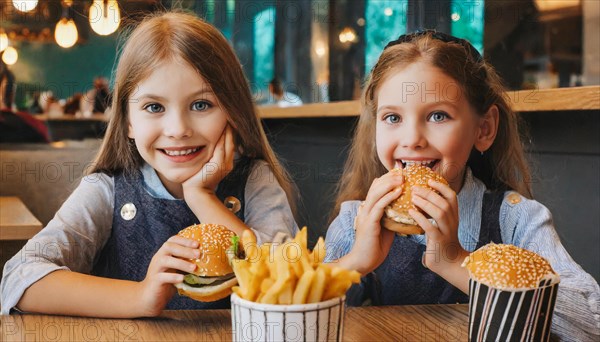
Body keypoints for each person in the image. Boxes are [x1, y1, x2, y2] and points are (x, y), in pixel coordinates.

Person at [1, 12, 298, 318]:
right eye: (154, 107)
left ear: (232, 112)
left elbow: (290, 283)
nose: (178, 129)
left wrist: (203, 198)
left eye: (201, 105)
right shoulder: (107, 189)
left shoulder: (255, 181)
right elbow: (20, 278)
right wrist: (142, 296)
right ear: (128, 121)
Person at [324, 30, 599, 340]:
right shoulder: (353, 221)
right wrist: (355, 263)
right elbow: (294, 317)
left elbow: (591, 323)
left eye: (438, 115)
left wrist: (457, 262)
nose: (412, 139)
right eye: (392, 118)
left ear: (484, 129)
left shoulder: (516, 219)